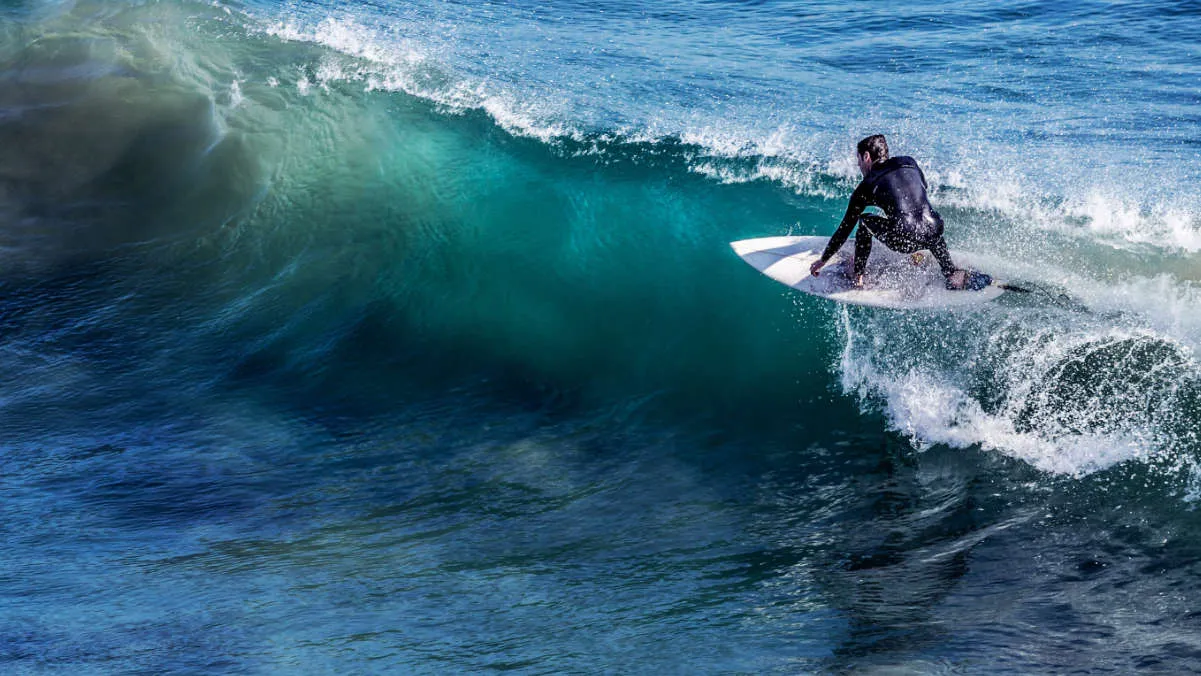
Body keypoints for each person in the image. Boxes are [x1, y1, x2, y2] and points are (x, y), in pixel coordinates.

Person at [809, 134, 970, 290]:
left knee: (864, 221)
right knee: (925, 219)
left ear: (866, 157)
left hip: (904, 240)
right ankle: (951, 273)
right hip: (935, 230)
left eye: (858, 159)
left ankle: (858, 275)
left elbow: (845, 228)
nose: (858, 165)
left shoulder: (867, 184)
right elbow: (922, 188)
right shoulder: (909, 162)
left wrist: (823, 260)